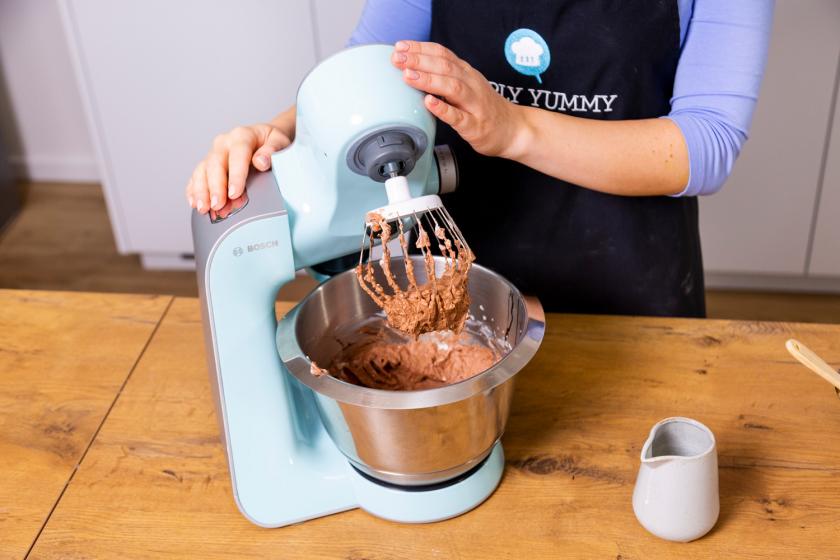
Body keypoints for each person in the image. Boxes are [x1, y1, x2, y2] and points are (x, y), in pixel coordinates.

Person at [185, 0, 774, 317]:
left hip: (626, 289)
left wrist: (514, 129)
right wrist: (277, 131)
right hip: (454, 280)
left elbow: (705, 143)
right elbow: (367, 69)